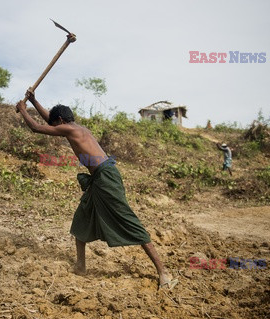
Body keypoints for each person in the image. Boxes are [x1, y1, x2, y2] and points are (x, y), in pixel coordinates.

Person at [15, 90, 178, 290]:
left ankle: (163, 272)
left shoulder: (70, 130)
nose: (54, 128)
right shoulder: (76, 127)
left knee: (127, 220)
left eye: (55, 123)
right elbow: (49, 120)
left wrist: (24, 110)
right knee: (81, 218)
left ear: (61, 121)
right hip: (100, 177)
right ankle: (80, 266)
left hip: (106, 178)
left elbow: (37, 128)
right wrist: (33, 100)